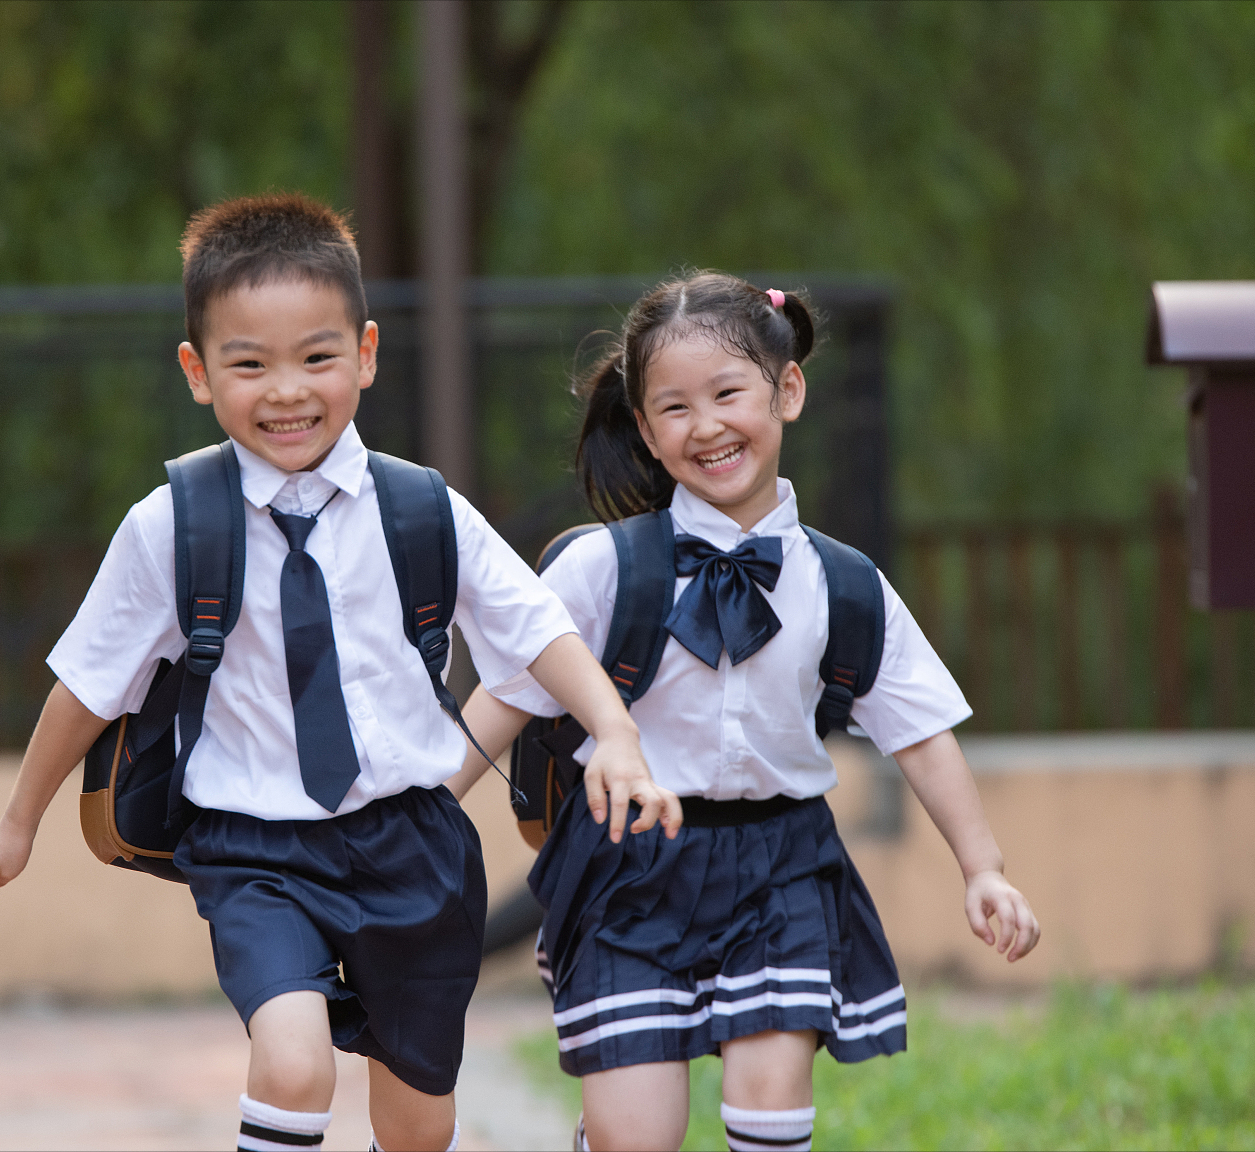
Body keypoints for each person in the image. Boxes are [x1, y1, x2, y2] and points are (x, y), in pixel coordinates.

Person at [0, 192, 682, 1152]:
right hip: (256, 852)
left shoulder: (421, 510)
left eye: (317, 357)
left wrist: (617, 733)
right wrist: (17, 823)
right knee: (290, 1063)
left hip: (412, 849)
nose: (286, 389)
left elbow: (536, 629)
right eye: (248, 363)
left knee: (416, 1123)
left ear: (366, 354)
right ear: (197, 372)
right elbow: (87, 684)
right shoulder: (174, 524)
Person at [447, 271, 1042, 1152]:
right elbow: (504, 695)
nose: (708, 425)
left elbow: (918, 732)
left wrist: (982, 868)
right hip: (628, 872)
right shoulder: (603, 570)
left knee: (771, 1118)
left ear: (786, 390)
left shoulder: (844, 584)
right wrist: (420, 816)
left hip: (782, 869)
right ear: (645, 430)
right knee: (635, 1136)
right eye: (675, 407)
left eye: (729, 393)